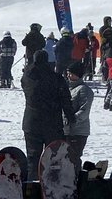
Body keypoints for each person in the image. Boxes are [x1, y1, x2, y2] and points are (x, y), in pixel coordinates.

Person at [21, 50, 76, 181]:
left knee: (33, 158)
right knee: (54, 158)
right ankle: (52, 187)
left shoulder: (27, 77)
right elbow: (65, 100)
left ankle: (31, 186)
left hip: (31, 122)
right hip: (52, 123)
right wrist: (71, 117)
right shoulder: (56, 78)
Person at [64, 62, 93, 160]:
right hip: (67, 130)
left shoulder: (84, 90)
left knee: (73, 158)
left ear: (78, 74)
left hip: (78, 131)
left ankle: (76, 175)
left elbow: (84, 111)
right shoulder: (68, 88)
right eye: (67, 73)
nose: (68, 76)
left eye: (71, 73)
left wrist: (72, 119)